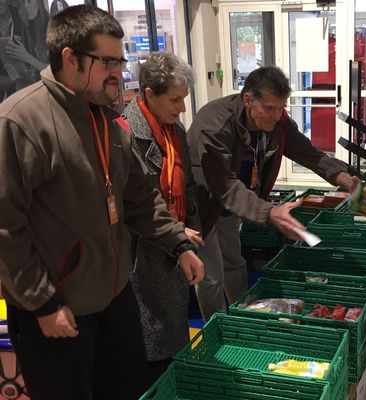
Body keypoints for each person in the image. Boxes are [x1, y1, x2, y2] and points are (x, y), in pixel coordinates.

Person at [0, 5, 204, 399]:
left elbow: (141, 199)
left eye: (120, 60)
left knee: (128, 390)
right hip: (57, 309)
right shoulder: (21, 122)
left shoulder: (108, 124)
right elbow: (6, 227)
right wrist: (42, 302)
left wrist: (178, 243)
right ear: (70, 58)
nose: (118, 71)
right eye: (107, 61)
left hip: (113, 299)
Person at [187, 65, 359, 320]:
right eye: (269, 108)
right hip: (201, 205)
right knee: (210, 276)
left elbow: (307, 152)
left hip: (236, 204)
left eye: (281, 108)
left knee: (234, 262)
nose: (276, 115)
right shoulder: (214, 124)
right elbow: (222, 185)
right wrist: (269, 212)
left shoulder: (277, 122)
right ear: (248, 100)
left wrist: (343, 177)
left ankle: (246, 318)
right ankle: (220, 330)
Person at [123, 51, 204, 385]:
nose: (182, 108)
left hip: (175, 244)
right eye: (175, 100)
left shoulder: (175, 130)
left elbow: (186, 182)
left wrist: (190, 226)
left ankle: (172, 380)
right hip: (141, 252)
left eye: (184, 99)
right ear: (149, 95)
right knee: (148, 339)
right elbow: (136, 200)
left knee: (172, 332)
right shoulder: (126, 133)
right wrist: (176, 230)